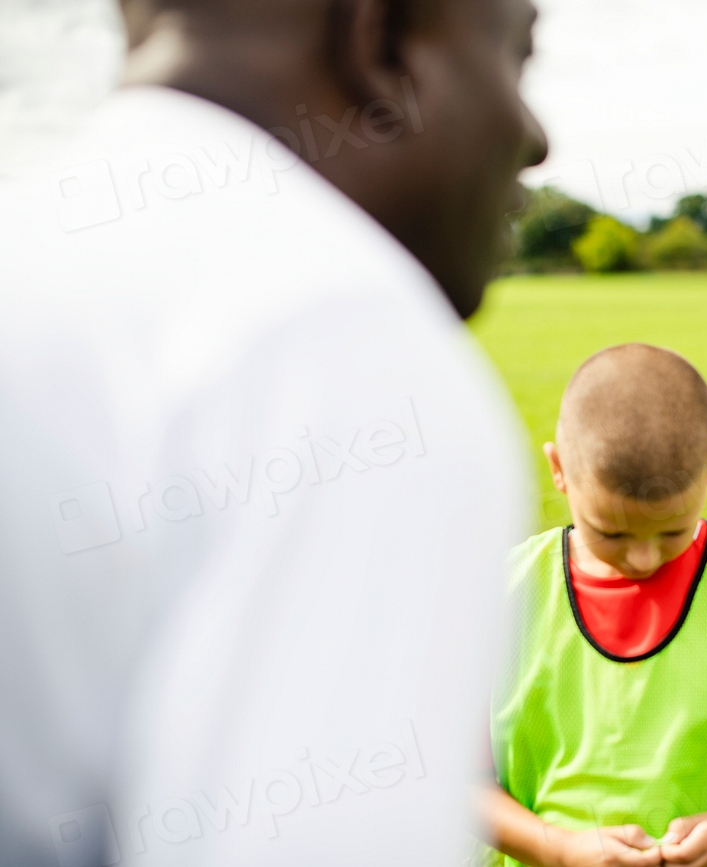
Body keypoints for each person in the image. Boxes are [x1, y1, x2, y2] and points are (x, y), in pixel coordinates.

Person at [0, 0, 546, 864]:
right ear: (381, 41)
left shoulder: (30, 249)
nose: (534, 133)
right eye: (516, 56)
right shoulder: (339, 342)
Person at [485, 344, 707, 867]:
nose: (642, 557)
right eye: (610, 532)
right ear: (559, 468)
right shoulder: (506, 593)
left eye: (671, 531)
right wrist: (559, 849)